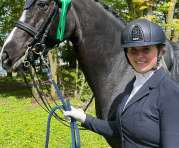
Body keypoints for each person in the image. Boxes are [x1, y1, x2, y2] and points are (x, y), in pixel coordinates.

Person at [63, 19, 179, 147]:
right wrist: (83, 118)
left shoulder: (170, 94)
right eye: (133, 50)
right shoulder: (132, 86)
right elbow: (123, 130)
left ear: (160, 52)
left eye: (146, 49)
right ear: (126, 53)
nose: (139, 55)